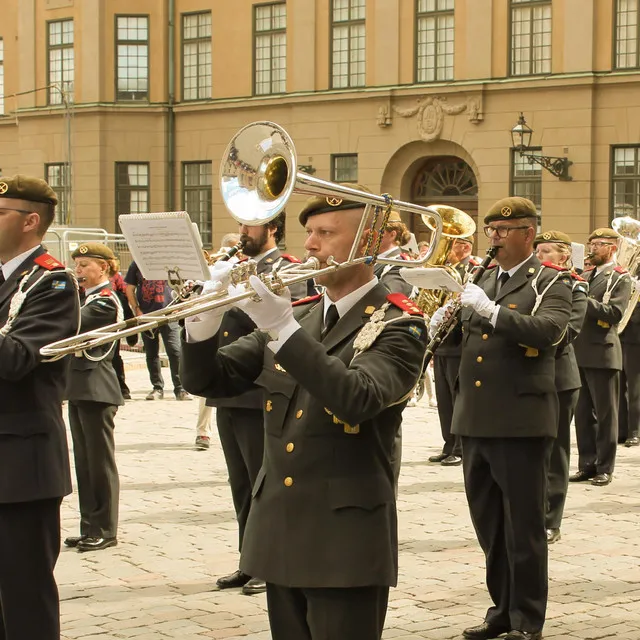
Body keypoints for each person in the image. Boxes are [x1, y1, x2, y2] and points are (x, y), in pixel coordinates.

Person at [181, 189, 428, 640]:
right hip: (281, 528)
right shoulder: (304, 316)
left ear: (367, 242)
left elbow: (358, 397)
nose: (311, 245)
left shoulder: (399, 323)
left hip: (344, 538)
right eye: (309, 232)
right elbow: (210, 380)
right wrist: (204, 318)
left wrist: (280, 328)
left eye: (326, 233)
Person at [439, 196, 573, 640]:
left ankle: (527, 618)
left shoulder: (551, 282)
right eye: (490, 229)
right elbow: (464, 337)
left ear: (528, 233)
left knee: (524, 527)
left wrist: (491, 311)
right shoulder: (483, 277)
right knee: (490, 526)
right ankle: (501, 608)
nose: (492, 237)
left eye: (502, 230)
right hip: (474, 418)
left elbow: (550, 331)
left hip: (520, 419)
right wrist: (444, 316)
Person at [197, 213, 306, 594]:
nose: (242, 234)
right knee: (241, 483)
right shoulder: (235, 267)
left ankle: (271, 561)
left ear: (272, 229)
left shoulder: (287, 268)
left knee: (267, 483)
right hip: (229, 389)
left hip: (261, 390)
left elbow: (287, 322)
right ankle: (249, 558)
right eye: (240, 227)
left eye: (249, 227)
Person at [0, 174, 80, 639]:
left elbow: (14, 361)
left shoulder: (52, 283)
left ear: (30, 221)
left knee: (24, 596)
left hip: (20, 466)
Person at [64, 243, 123, 552]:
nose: (79, 270)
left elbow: (74, 324)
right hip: (78, 386)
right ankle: (89, 525)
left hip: (97, 388)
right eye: (77, 265)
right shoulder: (85, 298)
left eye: (85, 265)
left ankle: (105, 528)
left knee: (99, 463)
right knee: (84, 463)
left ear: (104, 267)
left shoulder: (104, 301)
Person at [534, 231, 588, 544]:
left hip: (558, 378)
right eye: (537, 251)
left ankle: (551, 518)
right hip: (527, 378)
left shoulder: (574, 285)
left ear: (563, 256)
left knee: (555, 451)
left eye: (546, 252)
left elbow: (569, 331)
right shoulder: (531, 283)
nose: (540, 257)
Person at [571, 228, 631, 486]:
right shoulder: (584, 275)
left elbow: (614, 313)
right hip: (580, 351)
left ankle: (605, 467)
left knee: (606, 414)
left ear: (612, 248)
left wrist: (583, 296)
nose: (592, 248)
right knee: (583, 413)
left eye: (599, 244)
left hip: (603, 352)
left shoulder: (620, 278)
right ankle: (587, 464)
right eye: (591, 243)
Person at [429, 236, 477, 467]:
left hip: (459, 342)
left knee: (458, 398)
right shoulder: (444, 270)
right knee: (444, 398)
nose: (445, 249)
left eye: (451, 244)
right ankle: (448, 444)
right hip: (442, 342)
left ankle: (460, 447)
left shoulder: (473, 270)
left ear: (465, 247)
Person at [194, 233, 242, 451]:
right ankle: (203, 431)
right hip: (215, 330)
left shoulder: (245, 266)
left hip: (237, 334)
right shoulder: (216, 267)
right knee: (208, 387)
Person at [125, 261, 191, 401]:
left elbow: (185, 285)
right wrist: (136, 309)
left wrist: (180, 306)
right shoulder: (137, 263)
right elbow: (129, 288)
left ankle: (180, 388)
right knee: (151, 353)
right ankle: (157, 387)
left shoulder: (171, 260)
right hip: (147, 314)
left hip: (169, 313)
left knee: (175, 351)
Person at [109, 260, 134, 399]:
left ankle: (122, 387)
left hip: (113, 321)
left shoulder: (115, 277)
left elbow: (124, 295)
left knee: (115, 356)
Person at [618, 303, 640, 447]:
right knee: (619, 387)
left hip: (636, 340)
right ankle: (621, 430)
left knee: (635, 388)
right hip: (620, 337)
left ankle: (635, 431)